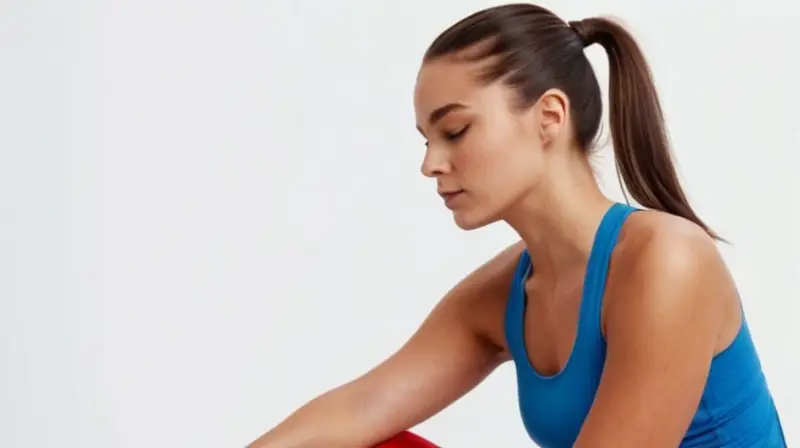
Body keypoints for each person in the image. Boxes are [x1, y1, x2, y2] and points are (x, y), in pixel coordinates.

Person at [250, 4, 785, 447]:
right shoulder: (502, 295)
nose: (431, 163)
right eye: (426, 139)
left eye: (455, 131)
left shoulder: (668, 261)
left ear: (550, 116)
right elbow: (360, 409)